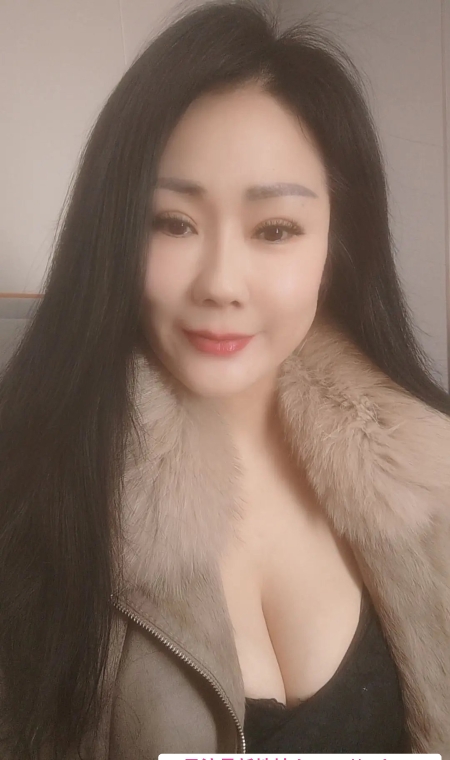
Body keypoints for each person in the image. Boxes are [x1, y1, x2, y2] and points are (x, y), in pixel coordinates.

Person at [1, 0, 449, 758]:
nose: (219, 283)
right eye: (173, 222)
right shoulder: (31, 489)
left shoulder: (430, 480)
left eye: (275, 229)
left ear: (337, 246)